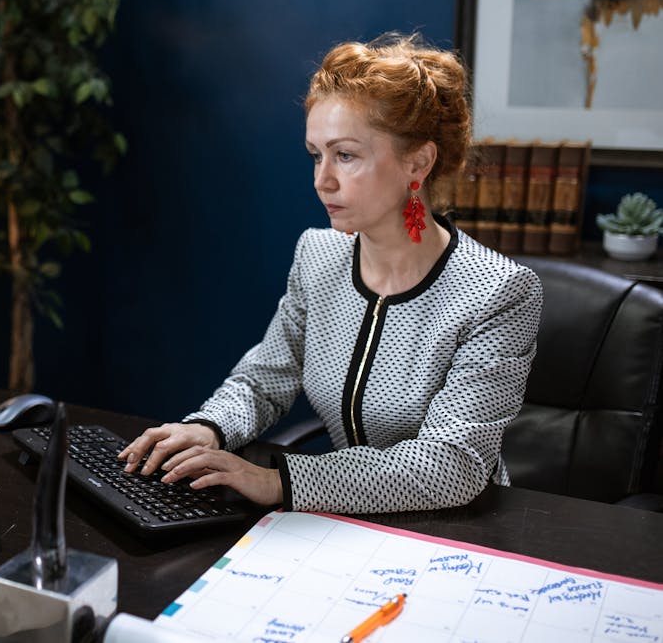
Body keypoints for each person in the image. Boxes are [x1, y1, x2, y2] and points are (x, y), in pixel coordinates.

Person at [118, 32, 543, 514]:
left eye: (345, 155)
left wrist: (279, 482)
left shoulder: (500, 292)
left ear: (418, 162)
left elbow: (450, 464)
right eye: (316, 155)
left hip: (457, 529)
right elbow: (264, 380)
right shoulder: (318, 256)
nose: (322, 180)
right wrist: (208, 427)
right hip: (344, 524)